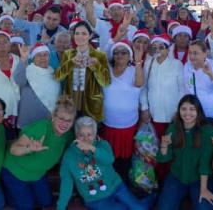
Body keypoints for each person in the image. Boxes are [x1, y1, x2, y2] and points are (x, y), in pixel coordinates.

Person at [57, 116, 151, 210]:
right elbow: (66, 183)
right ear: (76, 135)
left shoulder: (102, 144)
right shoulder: (69, 156)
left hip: (116, 187)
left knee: (139, 208)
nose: (85, 139)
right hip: (95, 199)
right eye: (81, 135)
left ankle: (151, 198)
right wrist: (60, 208)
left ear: (95, 134)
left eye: (89, 134)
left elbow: (109, 160)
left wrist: (92, 148)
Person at [2, 97, 77, 210]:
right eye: (61, 118)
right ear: (53, 116)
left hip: (37, 174)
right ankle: (7, 191)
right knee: (26, 206)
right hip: (15, 170)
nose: (64, 123)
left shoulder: (67, 135)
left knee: (46, 201)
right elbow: (14, 149)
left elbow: (78, 144)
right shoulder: (41, 128)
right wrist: (29, 149)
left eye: (69, 120)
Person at [156, 95, 213, 210]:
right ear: (179, 111)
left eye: (192, 109)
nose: (187, 113)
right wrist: (164, 146)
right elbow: (163, 159)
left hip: (200, 179)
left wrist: (203, 189)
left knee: (205, 208)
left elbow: (205, 163)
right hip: (177, 176)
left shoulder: (207, 131)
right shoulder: (173, 128)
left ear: (198, 111)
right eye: (183, 109)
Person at [100, 41, 145, 178]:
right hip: (108, 124)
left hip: (127, 126)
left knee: (124, 163)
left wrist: (137, 62)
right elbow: (101, 52)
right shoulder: (106, 69)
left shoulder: (135, 71)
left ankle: (123, 188)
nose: (119, 55)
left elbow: (139, 84)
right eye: (116, 52)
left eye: (124, 52)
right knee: (108, 160)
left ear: (130, 55)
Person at [55, 21, 110, 122]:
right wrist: (70, 63)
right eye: (77, 33)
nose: (80, 37)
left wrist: (96, 66)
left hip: (91, 106)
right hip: (70, 105)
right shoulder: (68, 54)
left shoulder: (100, 55)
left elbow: (105, 82)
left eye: (84, 33)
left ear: (90, 35)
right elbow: (58, 77)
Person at [140, 34, 184, 139]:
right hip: (153, 112)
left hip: (172, 113)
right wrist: (144, 108)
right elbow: (143, 87)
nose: (157, 50)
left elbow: (182, 89)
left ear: (168, 50)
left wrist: (179, 110)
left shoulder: (177, 64)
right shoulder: (148, 64)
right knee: (153, 142)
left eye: (161, 47)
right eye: (154, 47)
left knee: (171, 141)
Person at [14, 42, 62, 127]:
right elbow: (19, 81)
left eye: (45, 55)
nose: (43, 58)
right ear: (33, 58)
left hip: (49, 119)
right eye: (39, 55)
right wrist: (23, 60)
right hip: (30, 119)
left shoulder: (54, 73)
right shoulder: (28, 70)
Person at [183, 40, 213, 124]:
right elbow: (187, 89)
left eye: (195, 53)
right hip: (193, 116)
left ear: (205, 54)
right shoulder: (187, 67)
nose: (192, 56)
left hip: (211, 116)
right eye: (190, 53)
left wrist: (210, 74)